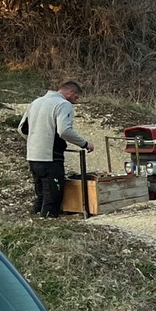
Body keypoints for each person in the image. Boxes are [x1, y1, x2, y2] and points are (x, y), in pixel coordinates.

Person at [17, 81, 94, 218]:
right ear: (70, 92)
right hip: (51, 157)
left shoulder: (36, 102)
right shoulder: (63, 104)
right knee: (52, 196)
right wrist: (85, 143)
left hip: (33, 155)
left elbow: (22, 128)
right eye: (76, 97)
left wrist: (34, 141)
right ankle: (48, 222)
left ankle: (34, 219)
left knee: (40, 194)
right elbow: (64, 131)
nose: (75, 102)